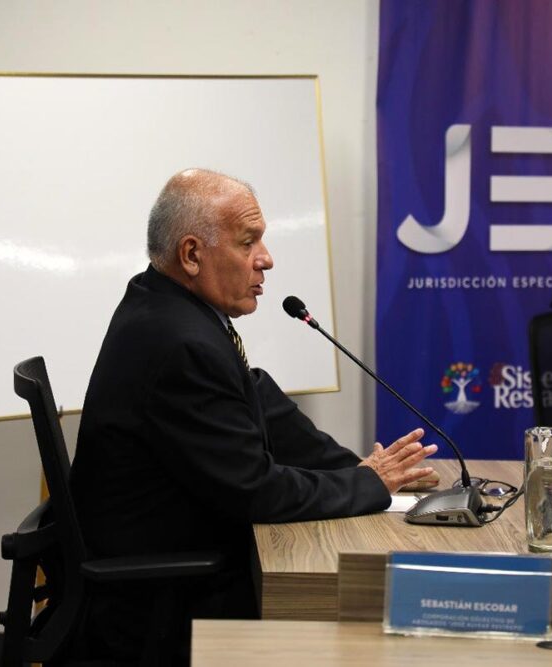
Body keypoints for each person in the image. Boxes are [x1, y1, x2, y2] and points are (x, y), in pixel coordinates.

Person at [69, 168, 437, 663]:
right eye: (248, 243)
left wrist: (356, 468)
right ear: (192, 254)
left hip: (175, 564)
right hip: (168, 602)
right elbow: (255, 490)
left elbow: (256, 396)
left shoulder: (167, 305)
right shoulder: (179, 343)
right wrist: (369, 484)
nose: (266, 260)